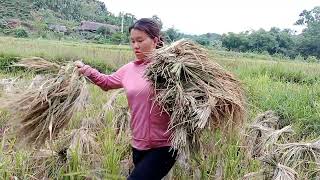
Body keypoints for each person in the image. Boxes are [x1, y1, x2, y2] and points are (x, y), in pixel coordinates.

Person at [75, 18, 177, 180]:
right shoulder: (129, 69)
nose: (135, 46)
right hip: (138, 144)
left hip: (164, 145)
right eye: (132, 41)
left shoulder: (171, 68)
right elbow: (106, 82)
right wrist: (86, 70)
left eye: (140, 40)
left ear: (155, 40)